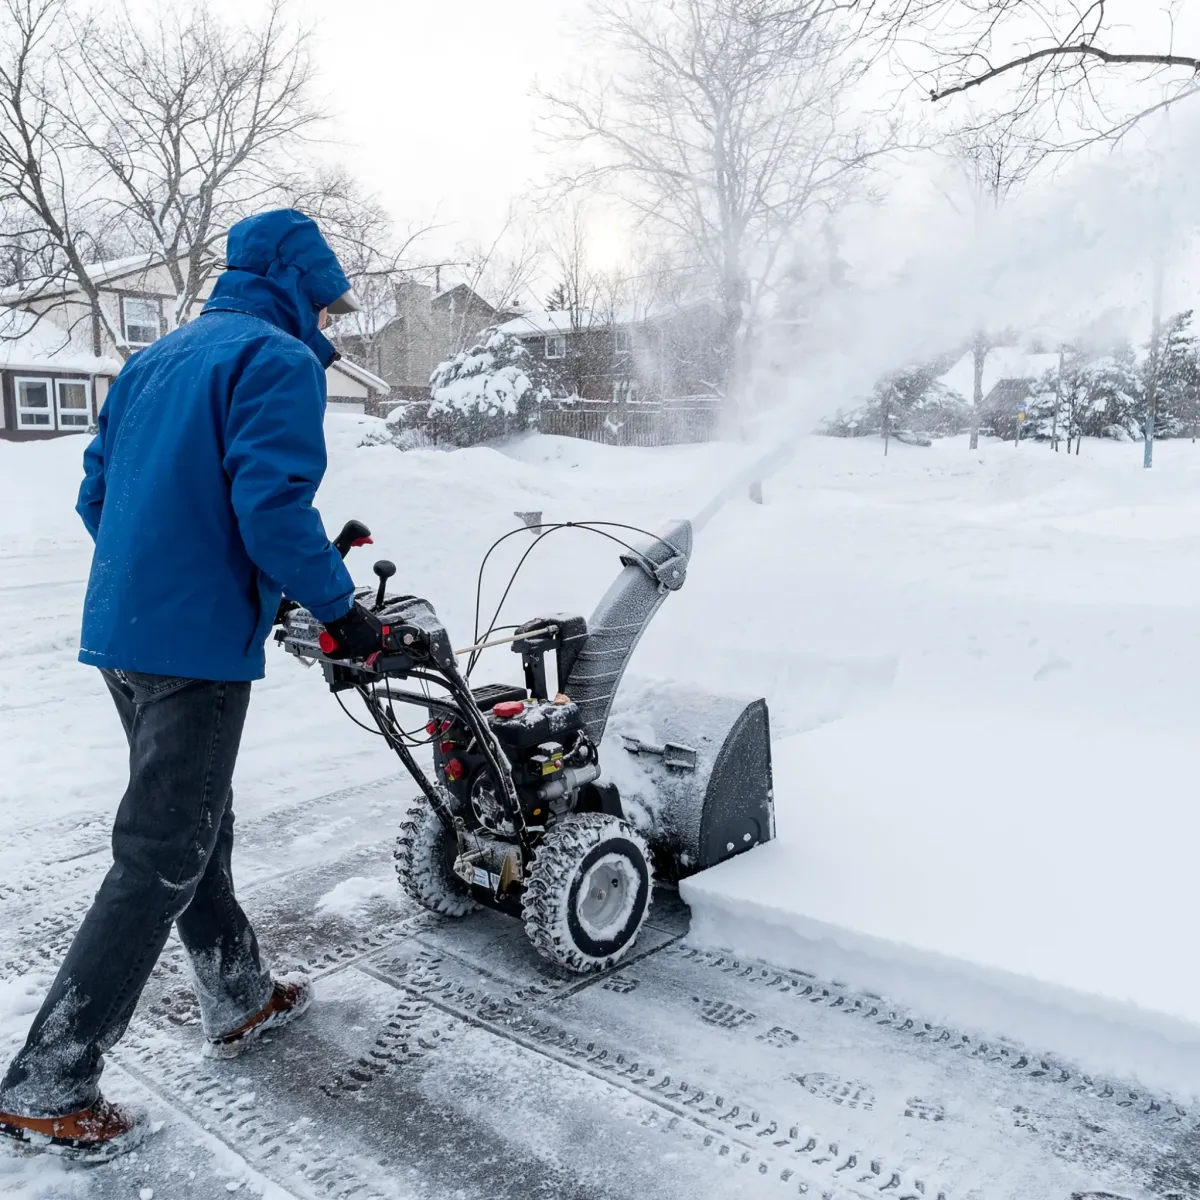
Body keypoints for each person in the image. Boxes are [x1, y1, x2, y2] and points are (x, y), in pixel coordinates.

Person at [0, 209, 384, 1161]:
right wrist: (343, 612)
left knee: (190, 821)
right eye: (328, 304)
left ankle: (238, 991)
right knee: (160, 853)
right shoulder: (276, 362)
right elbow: (271, 507)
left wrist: (159, 573)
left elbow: (96, 491)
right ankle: (50, 1082)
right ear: (299, 283)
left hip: (123, 632)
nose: (330, 326)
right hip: (195, 650)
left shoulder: (156, 360)